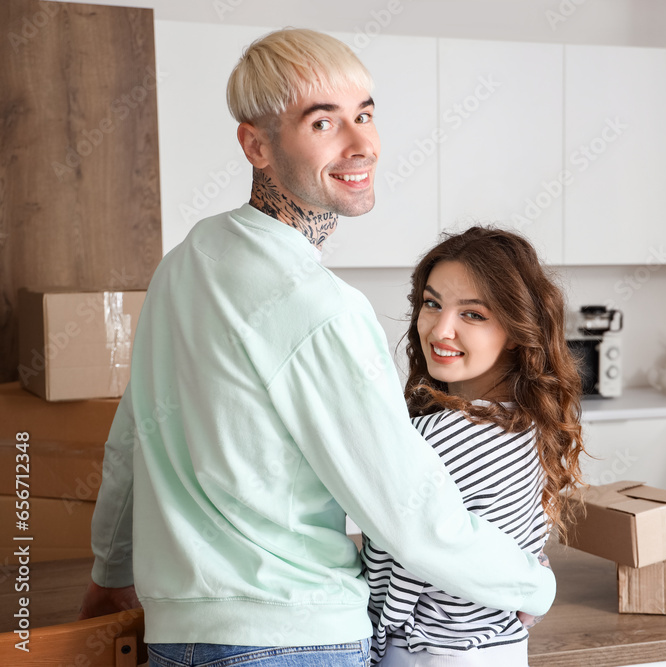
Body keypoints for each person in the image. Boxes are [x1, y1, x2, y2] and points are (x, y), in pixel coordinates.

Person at [80, 28, 555, 667]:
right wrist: (532, 584)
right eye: (325, 123)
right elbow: (408, 514)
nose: (362, 144)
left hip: (180, 637)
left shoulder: (185, 264)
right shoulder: (321, 307)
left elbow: (131, 439)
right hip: (298, 640)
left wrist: (110, 573)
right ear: (257, 145)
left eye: (365, 114)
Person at [363, 226, 586, 666]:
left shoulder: (439, 435)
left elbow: (396, 574)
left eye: (473, 314)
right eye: (432, 304)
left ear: (518, 328)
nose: (440, 329)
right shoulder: (529, 424)